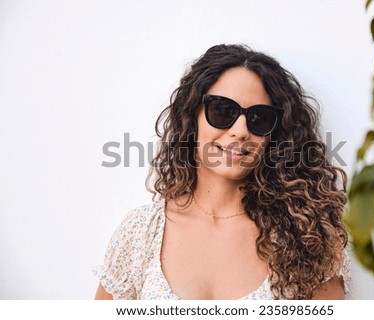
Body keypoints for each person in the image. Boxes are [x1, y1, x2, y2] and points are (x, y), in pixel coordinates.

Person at [94, 44, 350, 300]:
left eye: (259, 118)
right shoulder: (139, 233)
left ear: (275, 135)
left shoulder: (309, 239)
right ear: (192, 116)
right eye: (222, 111)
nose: (240, 130)